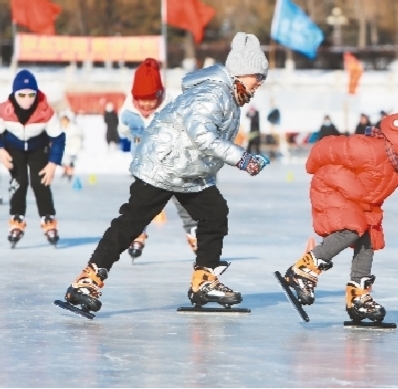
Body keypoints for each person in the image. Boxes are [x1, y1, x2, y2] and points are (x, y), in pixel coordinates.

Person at [61, 32, 270, 315]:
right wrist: (243, 159)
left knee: (215, 214)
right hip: (162, 164)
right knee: (132, 222)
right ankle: (88, 279)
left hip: (188, 171)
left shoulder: (228, 95)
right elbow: (203, 137)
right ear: (242, 72)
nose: (260, 83)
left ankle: (204, 279)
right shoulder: (212, 94)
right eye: (258, 76)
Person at [277, 114, 398, 322]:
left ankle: (358, 296)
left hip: (359, 200)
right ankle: (302, 271)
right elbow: (326, 148)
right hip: (331, 187)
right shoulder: (372, 150)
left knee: (370, 235)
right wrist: (323, 172)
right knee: (352, 228)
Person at [117, 58, 199, 256]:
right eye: (141, 99)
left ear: (159, 94)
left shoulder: (172, 107)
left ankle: (194, 233)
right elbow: (123, 130)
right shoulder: (128, 111)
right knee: (140, 202)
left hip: (173, 165)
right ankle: (137, 233)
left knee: (183, 200)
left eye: (150, 99)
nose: (146, 104)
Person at [0, 69, 65, 246]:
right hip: (14, 147)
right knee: (19, 181)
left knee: (40, 180)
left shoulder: (46, 111)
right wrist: (1, 150)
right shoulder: (4, 110)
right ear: (14, 94)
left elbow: (58, 138)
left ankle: (48, 218)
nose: (27, 99)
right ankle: (17, 218)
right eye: (22, 95)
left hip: (38, 147)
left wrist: (53, 163)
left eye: (31, 94)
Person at [60, 114, 83, 181]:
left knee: (70, 161)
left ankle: (70, 173)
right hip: (66, 148)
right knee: (64, 160)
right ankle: (65, 172)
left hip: (73, 147)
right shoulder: (62, 128)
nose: (63, 123)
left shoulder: (73, 128)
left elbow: (78, 136)